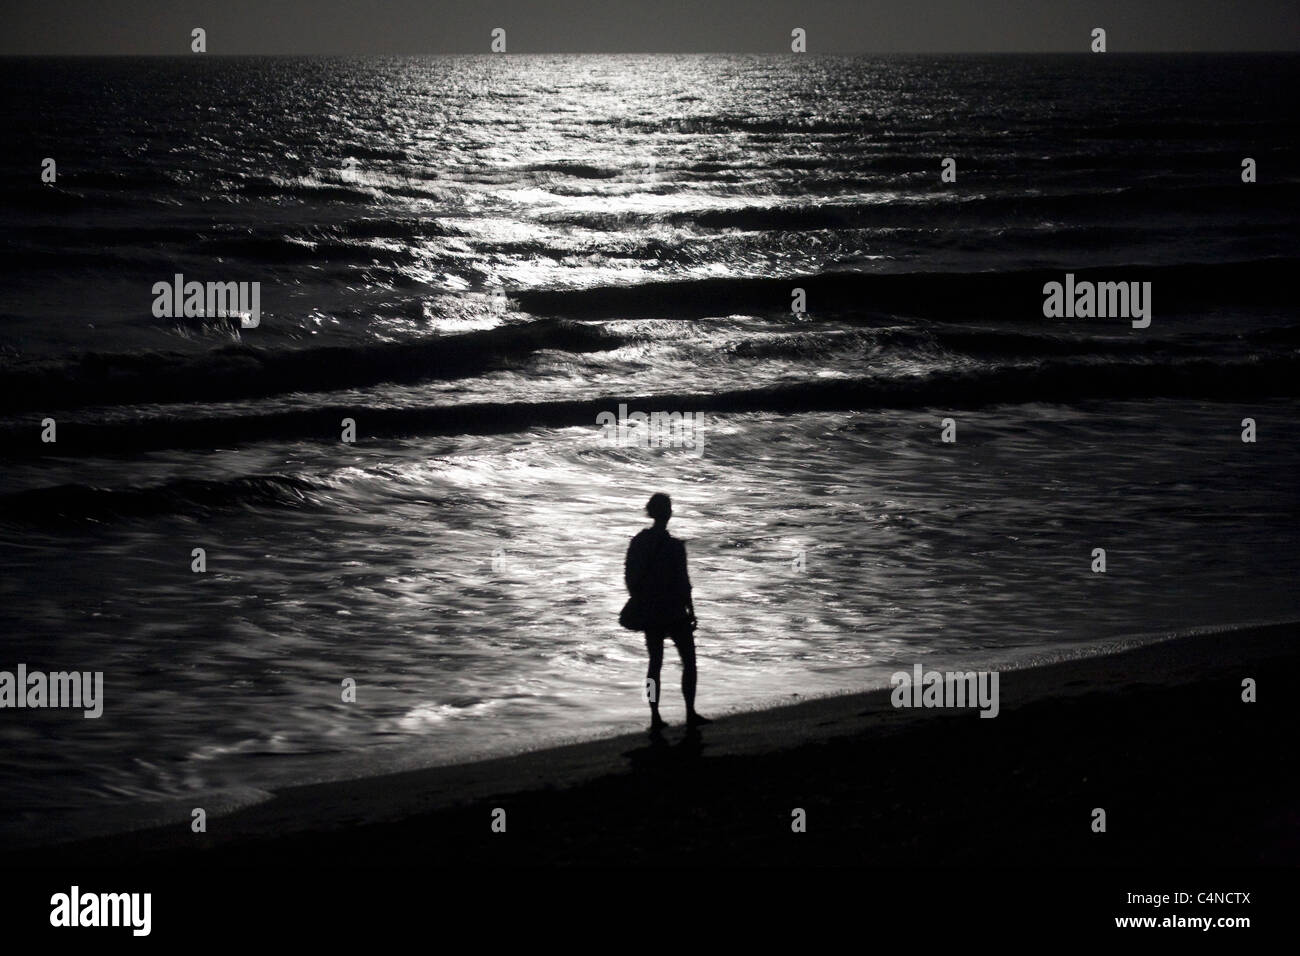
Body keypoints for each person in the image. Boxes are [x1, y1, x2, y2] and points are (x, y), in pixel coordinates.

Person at [624, 493, 711, 731]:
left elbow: (629, 577)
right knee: (689, 662)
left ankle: (655, 717)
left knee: (655, 665)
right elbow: (684, 583)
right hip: (674, 610)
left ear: (650, 512)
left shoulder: (639, 542)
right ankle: (690, 712)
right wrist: (691, 610)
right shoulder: (674, 547)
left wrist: (641, 600)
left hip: (651, 610)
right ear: (668, 513)